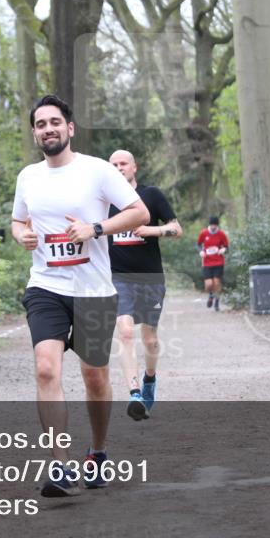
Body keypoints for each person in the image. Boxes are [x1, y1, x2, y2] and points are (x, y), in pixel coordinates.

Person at [11, 95, 149, 497]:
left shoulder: (98, 170)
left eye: (55, 122)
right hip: (45, 286)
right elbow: (18, 221)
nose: (48, 129)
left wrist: (96, 229)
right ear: (35, 132)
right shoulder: (28, 177)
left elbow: (139, 212)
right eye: (40, 124)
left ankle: (99, 451)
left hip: (92, 289)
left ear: (70, 128)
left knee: (95, 377)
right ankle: (59, 464)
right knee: (46, 369)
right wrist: (23, 235)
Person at [107, 150, 182, 421]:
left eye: (123, 164)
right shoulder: (103, 202)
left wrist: (154, 230)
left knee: (149, 339)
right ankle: (135, 392)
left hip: (150, 278)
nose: (118, 168)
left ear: (134, 167)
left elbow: (177, 228)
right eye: (113, 165)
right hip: (118, 278)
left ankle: (150, 379)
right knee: (125, 332)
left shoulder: (151, 196)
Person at [197, 216, 229, 312]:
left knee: (217, 283)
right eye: (212, 225)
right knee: (209, 284)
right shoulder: (204, 233)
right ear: (209, 224)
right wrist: (200, 251)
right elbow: (198, 244)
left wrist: (224, 249)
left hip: (219, 262)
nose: (213, 227)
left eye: (215, 225)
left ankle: (216, 303)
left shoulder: (221, 234)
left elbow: (227, 246)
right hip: (207, 262)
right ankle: (211, 295)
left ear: (217, 225)